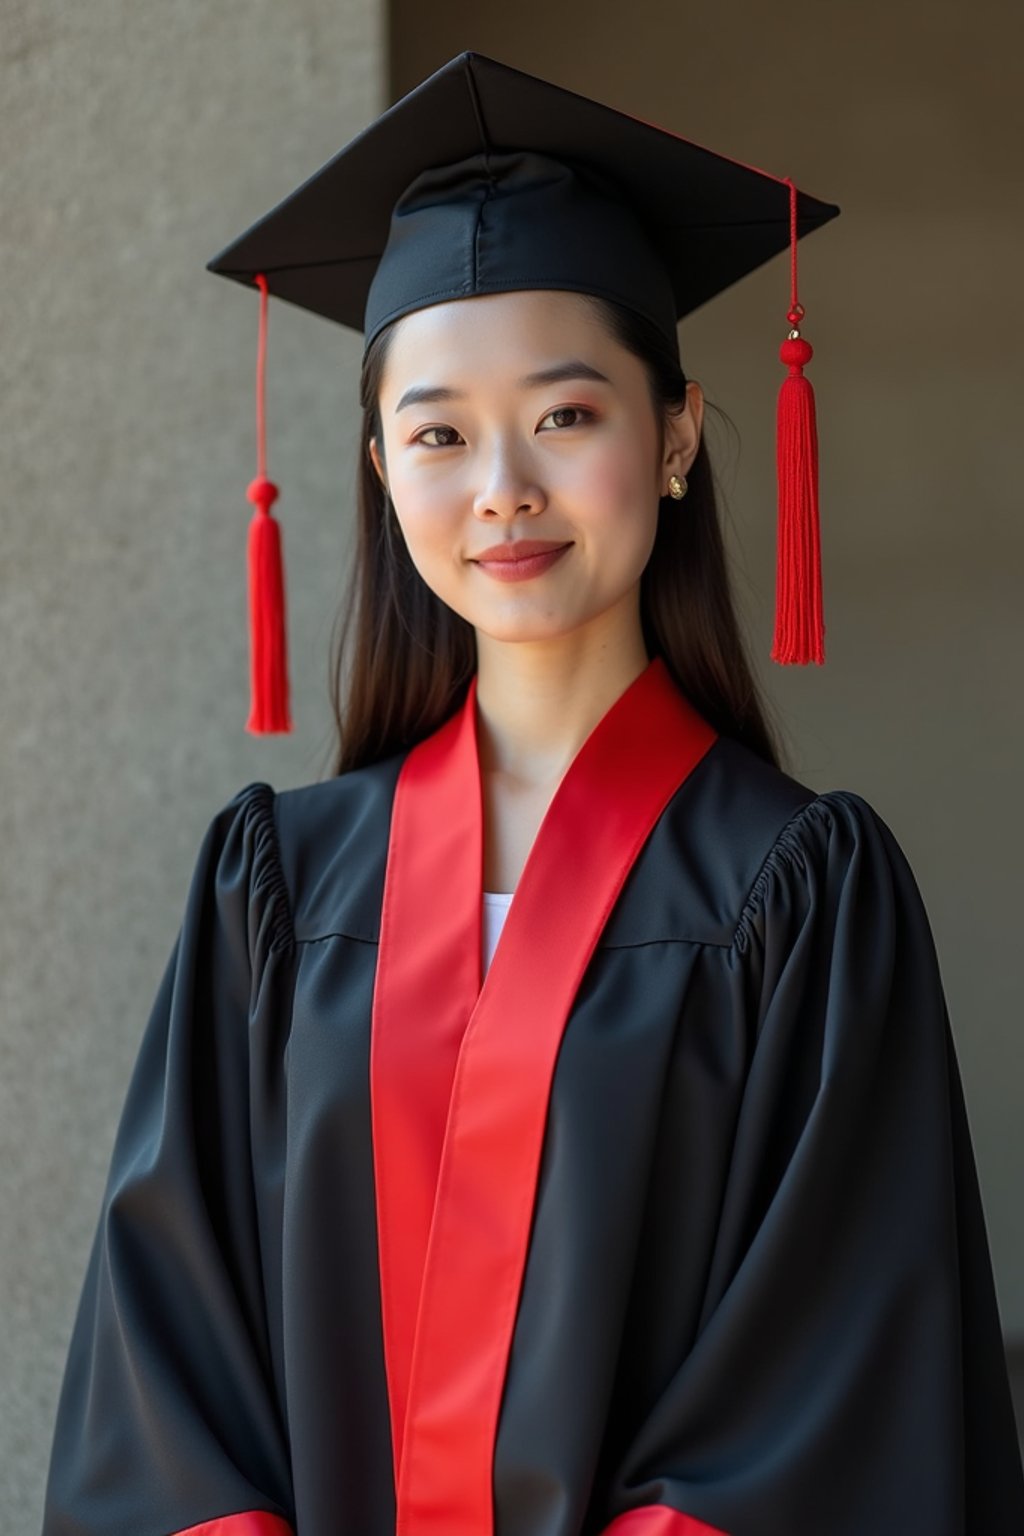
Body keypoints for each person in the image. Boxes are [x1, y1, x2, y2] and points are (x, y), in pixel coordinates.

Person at [42, 50, 1024, 1536]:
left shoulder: (802, 898)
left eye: (566, 415)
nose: (501, 484)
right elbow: (165, 1374)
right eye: (437, 433)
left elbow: (833, 1394)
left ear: (677, 434)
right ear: (379, 472)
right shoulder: (278, 892)